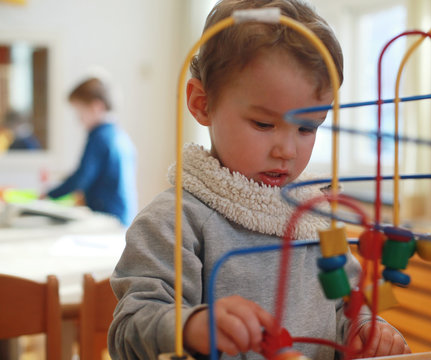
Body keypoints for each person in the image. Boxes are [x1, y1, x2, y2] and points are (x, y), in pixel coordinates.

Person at [108, 0, 410, 359]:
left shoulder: (315, 212)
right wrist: (189, 326)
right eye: (264, 124)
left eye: (306, 128)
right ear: (202, 103)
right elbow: (127, 333)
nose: (286, 150)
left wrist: (363, 328)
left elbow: (347, 301)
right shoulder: (174, 221)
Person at [46, 77, 137, 226]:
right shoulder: (119, 135)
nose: (79, 120)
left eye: (80, 112)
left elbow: (82, 177)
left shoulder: (99, 137)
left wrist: (49, 195)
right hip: (123, 216)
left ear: (96, 107)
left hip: (107, 217)